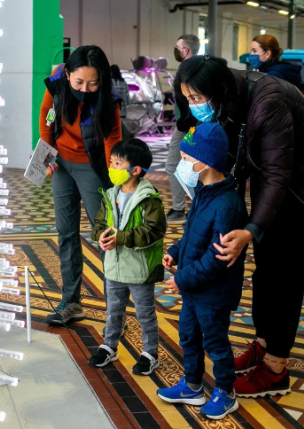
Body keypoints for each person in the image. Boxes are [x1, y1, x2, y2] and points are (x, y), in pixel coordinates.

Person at [173, 56, 304, 398]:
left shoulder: (267, 101)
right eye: (189, 99)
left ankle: (275, 368)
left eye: (198, 99)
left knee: (285, 274)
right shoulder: (227, 99)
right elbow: (231, 159)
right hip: (279, 180)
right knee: (265, 271)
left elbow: (276, 174)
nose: (194, 106)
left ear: (219, 90)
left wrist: (252, 229)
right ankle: (263, 342)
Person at [156, 123, 248, 420]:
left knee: (215, 342)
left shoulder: (227, 204)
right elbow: (193, 235)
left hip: (214, 291)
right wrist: (174, 251)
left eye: (185, 158)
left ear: (204, 161)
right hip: (195, 288)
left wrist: (181, 279)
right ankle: (193, 385)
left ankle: (226, 392)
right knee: (189, 335)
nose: (182, 164)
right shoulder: (204, 192)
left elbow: (217, 258)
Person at [39, 45, 123, 326]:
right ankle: (71, 302)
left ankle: (116, 310)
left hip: (92, 166)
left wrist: (117, 175)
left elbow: (113, 137)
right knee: (66, 233)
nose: (85, 89)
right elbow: (48, 115)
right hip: (61, 164)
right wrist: (47, 151)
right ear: (68, 75)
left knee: (104, 236)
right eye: (78, 82)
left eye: (93, 83)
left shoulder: (107, 99)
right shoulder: (56, 83)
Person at [89, 138, 166, 375]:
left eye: (117, 164)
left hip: (140, 270)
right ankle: (109, 346)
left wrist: (122, 237)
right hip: (114, 266)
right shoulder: (110, 194)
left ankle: (150, 353)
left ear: (135, 170)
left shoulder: (149, 198)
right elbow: (100, 223)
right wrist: (100, 235)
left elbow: (154, 230)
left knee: (145, 313)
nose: (111, 168)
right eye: (111, 162)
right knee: (113, 310)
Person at [165, 34, 199, 223]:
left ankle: (181, 209)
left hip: (187, 126)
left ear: (185, 50)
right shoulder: (198, 68)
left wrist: (186, 123)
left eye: (178, 47)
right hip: (191, 125)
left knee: (173, 165)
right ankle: (195, 207)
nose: (176, 51)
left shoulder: (188, 70)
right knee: (193, 166)